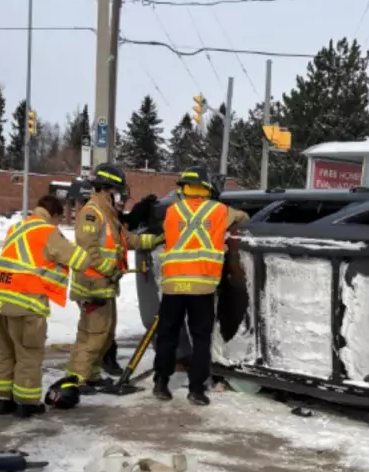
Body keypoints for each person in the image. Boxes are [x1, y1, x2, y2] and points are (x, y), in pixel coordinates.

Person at [55, 164, 162, 406]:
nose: (120, 197)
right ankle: (77, 379)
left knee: (103, 334)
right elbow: (89, 250)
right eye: (117, 192)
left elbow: (128, 240)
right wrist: (109, 269)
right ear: (106, 190)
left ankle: (90, 376)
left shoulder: (108, 214)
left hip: (103, 286)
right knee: (93, 335)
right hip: (93, 286)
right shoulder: (93, 213)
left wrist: (157, 238)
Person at [152, 166, 249, 406]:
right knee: (201, 338)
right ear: (207, 189)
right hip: (201, 288)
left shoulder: (172, 211)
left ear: (184, 188)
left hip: (173, 286)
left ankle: (161, 383)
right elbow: (244, 217)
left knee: (167, 335)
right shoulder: (219, 210)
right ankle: (196, 390)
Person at [0, 195, 91, 415]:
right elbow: (80, 261)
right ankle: (27, 404)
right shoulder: (48, 231)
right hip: (26, 303)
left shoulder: (17, 228)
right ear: (54, 215)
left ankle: (3, 400)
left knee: (5, 352)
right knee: (28, 354)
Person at [101, 190, 160, 377]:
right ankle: (92, 369)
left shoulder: (111, 217)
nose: (122, 203)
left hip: (106, 281)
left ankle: (102, 362)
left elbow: (128, 233)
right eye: (121, 200)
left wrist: (155, 238)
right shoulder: (100, 217)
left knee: (106, 327)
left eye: (125, 200)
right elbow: (124, 233)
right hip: (95, 282)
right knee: (98, 329)